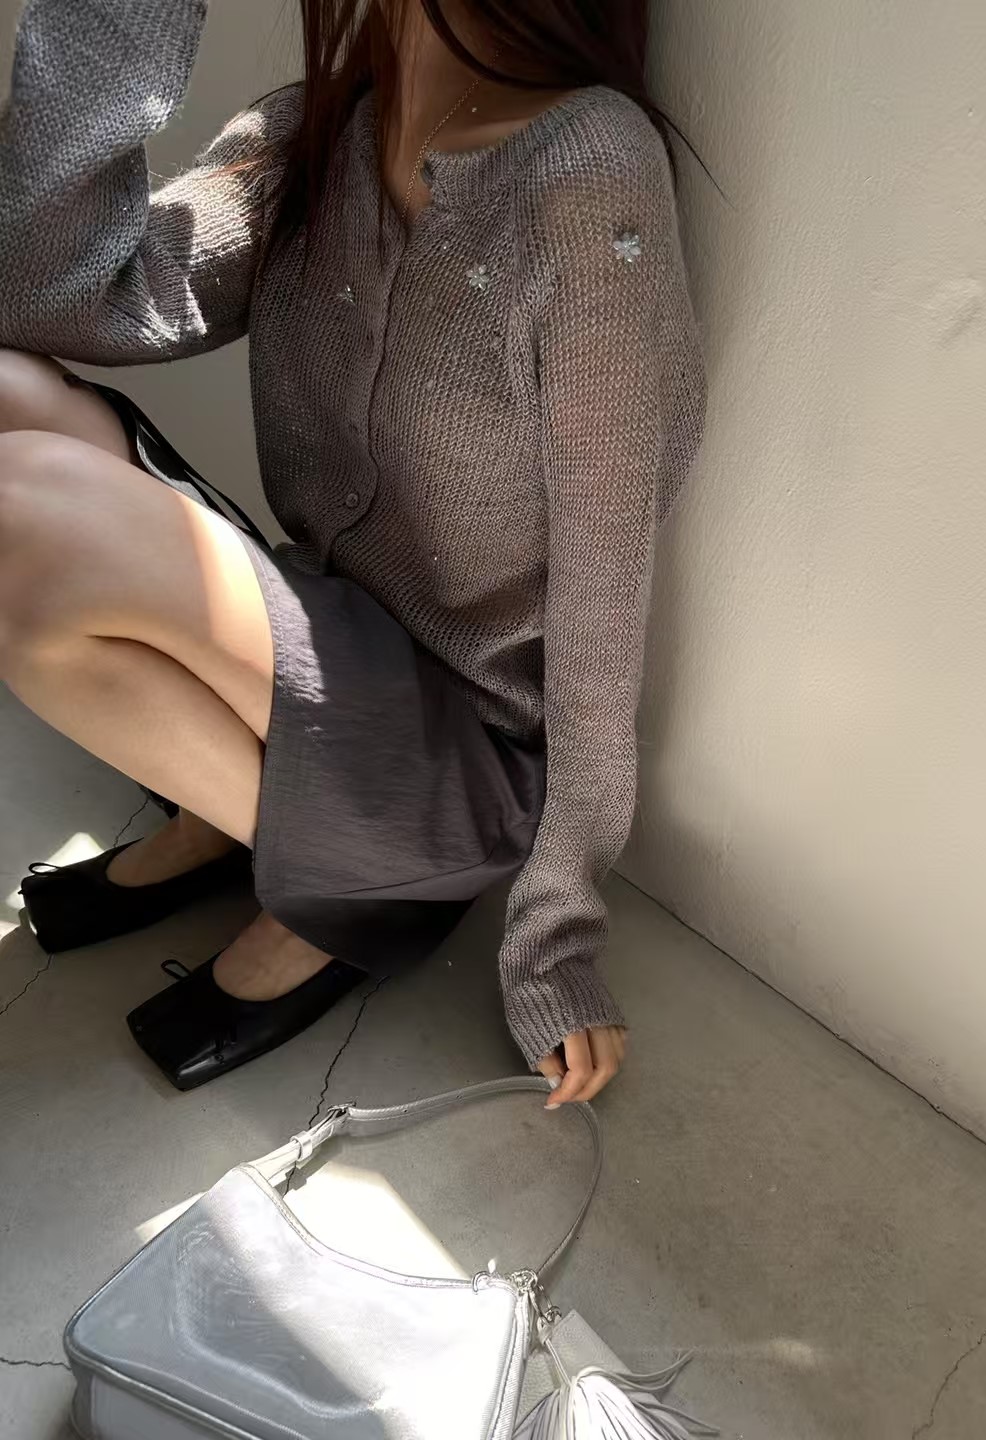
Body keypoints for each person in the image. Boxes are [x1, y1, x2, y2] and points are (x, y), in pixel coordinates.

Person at [0, 0, 705, 1101]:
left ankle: (366, 888)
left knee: (24, 514)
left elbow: (605, 592)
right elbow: (42, 296)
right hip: (328, 642)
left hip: (464, 754)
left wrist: (556, 930)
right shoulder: (318, 129)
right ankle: (246, 824)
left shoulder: (585, 172)